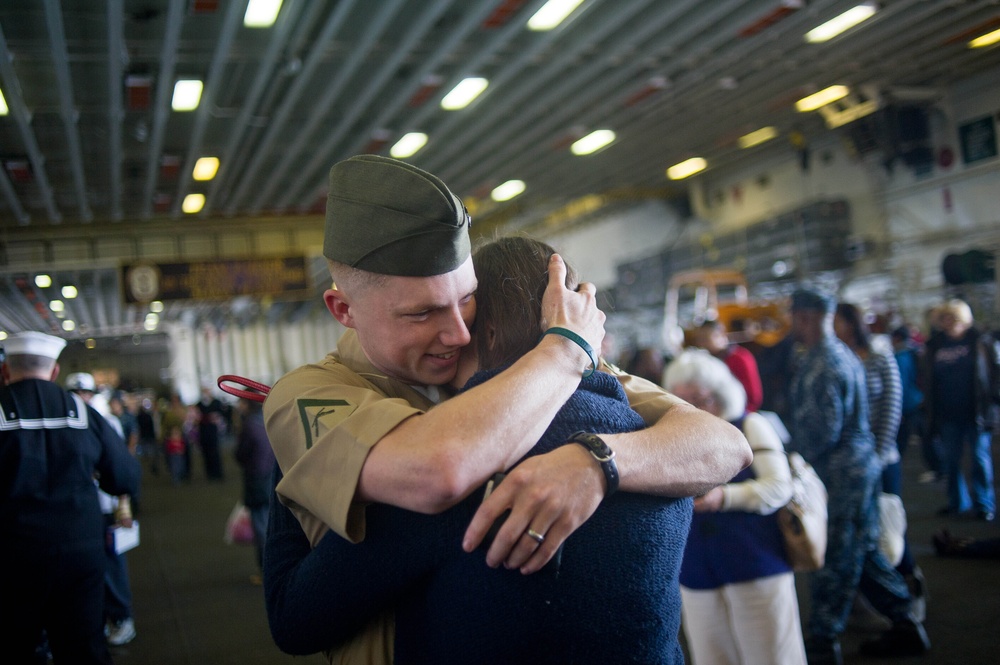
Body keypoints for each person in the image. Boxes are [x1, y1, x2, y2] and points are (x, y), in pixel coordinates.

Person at [261, 155, 751, 661]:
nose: (457, 332)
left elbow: (724, 444)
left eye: (468, 299)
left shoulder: (557, 366)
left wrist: (597, 462)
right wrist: (562, 350)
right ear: (344, 311)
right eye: (422, 313)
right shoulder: (315, 392)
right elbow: (441, 467)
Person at [786, 288, 929, 664]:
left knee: (833, 557)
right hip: (855, 468)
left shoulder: (824, 363)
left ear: (805, 316)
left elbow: (822, 432)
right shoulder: (840, 355)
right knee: (862, 551)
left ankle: (822, 640)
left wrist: (793, 456)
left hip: (840, 473)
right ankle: (905, 622)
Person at [1, 331, 141, 664]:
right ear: (53, 372)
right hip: (79, 552)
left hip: (12, 556)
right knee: (83, 648)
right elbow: (124, 476)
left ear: (6, 371)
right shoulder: (82, 412)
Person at [663, 348, 806, 665]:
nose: (690, 407)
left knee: (773, 657)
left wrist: (723, 498)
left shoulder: (751, 425)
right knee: (711, 658)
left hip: (754, 562)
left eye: (698, 398)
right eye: (679, 398)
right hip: (696, 571)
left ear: (719, 395)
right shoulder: (670, 436)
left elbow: (779, 488)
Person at [65, 373, 139, 648]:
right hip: (81, 508)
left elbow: (120, 468)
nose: (81, 397)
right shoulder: (71, 423)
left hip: (105, 507)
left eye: (85, 392)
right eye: (76, 392)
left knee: (112, 565)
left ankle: (122, 618)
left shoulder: (105, 423)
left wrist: (124, 507)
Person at [921, 298, 999, 522]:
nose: (948, 322)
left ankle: (984, 504)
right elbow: (928, 379)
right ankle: (957, 502)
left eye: (952, 318)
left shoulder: (980, 342)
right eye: (945, 318)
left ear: (964, 320)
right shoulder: (935, 345)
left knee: (979, 458)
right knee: (951, 460)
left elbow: (993, 375)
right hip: (947, 412)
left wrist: (994, 403)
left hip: (976, 411)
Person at [234, 395, 276, 584]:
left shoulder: (250, 425)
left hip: (257, 482)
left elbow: (240, 454)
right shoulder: (271, 419)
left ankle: (266, 571)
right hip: (273, 479)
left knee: (261, 529)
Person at [692, 319, 764, 412]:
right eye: (699, 339)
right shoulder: (705, 360)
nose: (701, 344)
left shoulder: (740, 358)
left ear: (721, 335)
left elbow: (754, 398)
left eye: (705, 338)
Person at [196, 386, 226, 481]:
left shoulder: (216, 403)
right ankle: (210, 474)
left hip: (213, 432)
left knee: (215, 453)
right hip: (204, 432)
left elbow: (222, 414)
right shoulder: (199, 404)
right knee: (206, 454)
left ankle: (217, 473)